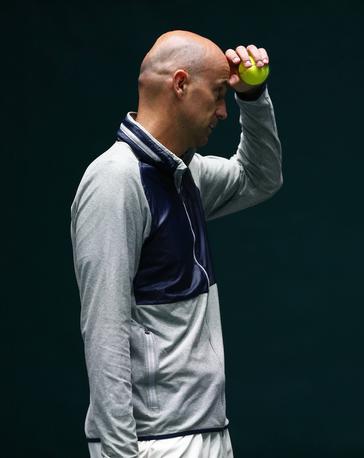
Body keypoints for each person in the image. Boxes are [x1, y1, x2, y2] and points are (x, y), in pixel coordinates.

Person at [70, 30, 282, 457]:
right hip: (153, 445)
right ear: (181, 84)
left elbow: (260, 177)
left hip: (205, 432)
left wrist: (253, 98)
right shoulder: (116, 180)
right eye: (220, 94)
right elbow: (103, 329)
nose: (224, 111)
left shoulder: (187, 175)